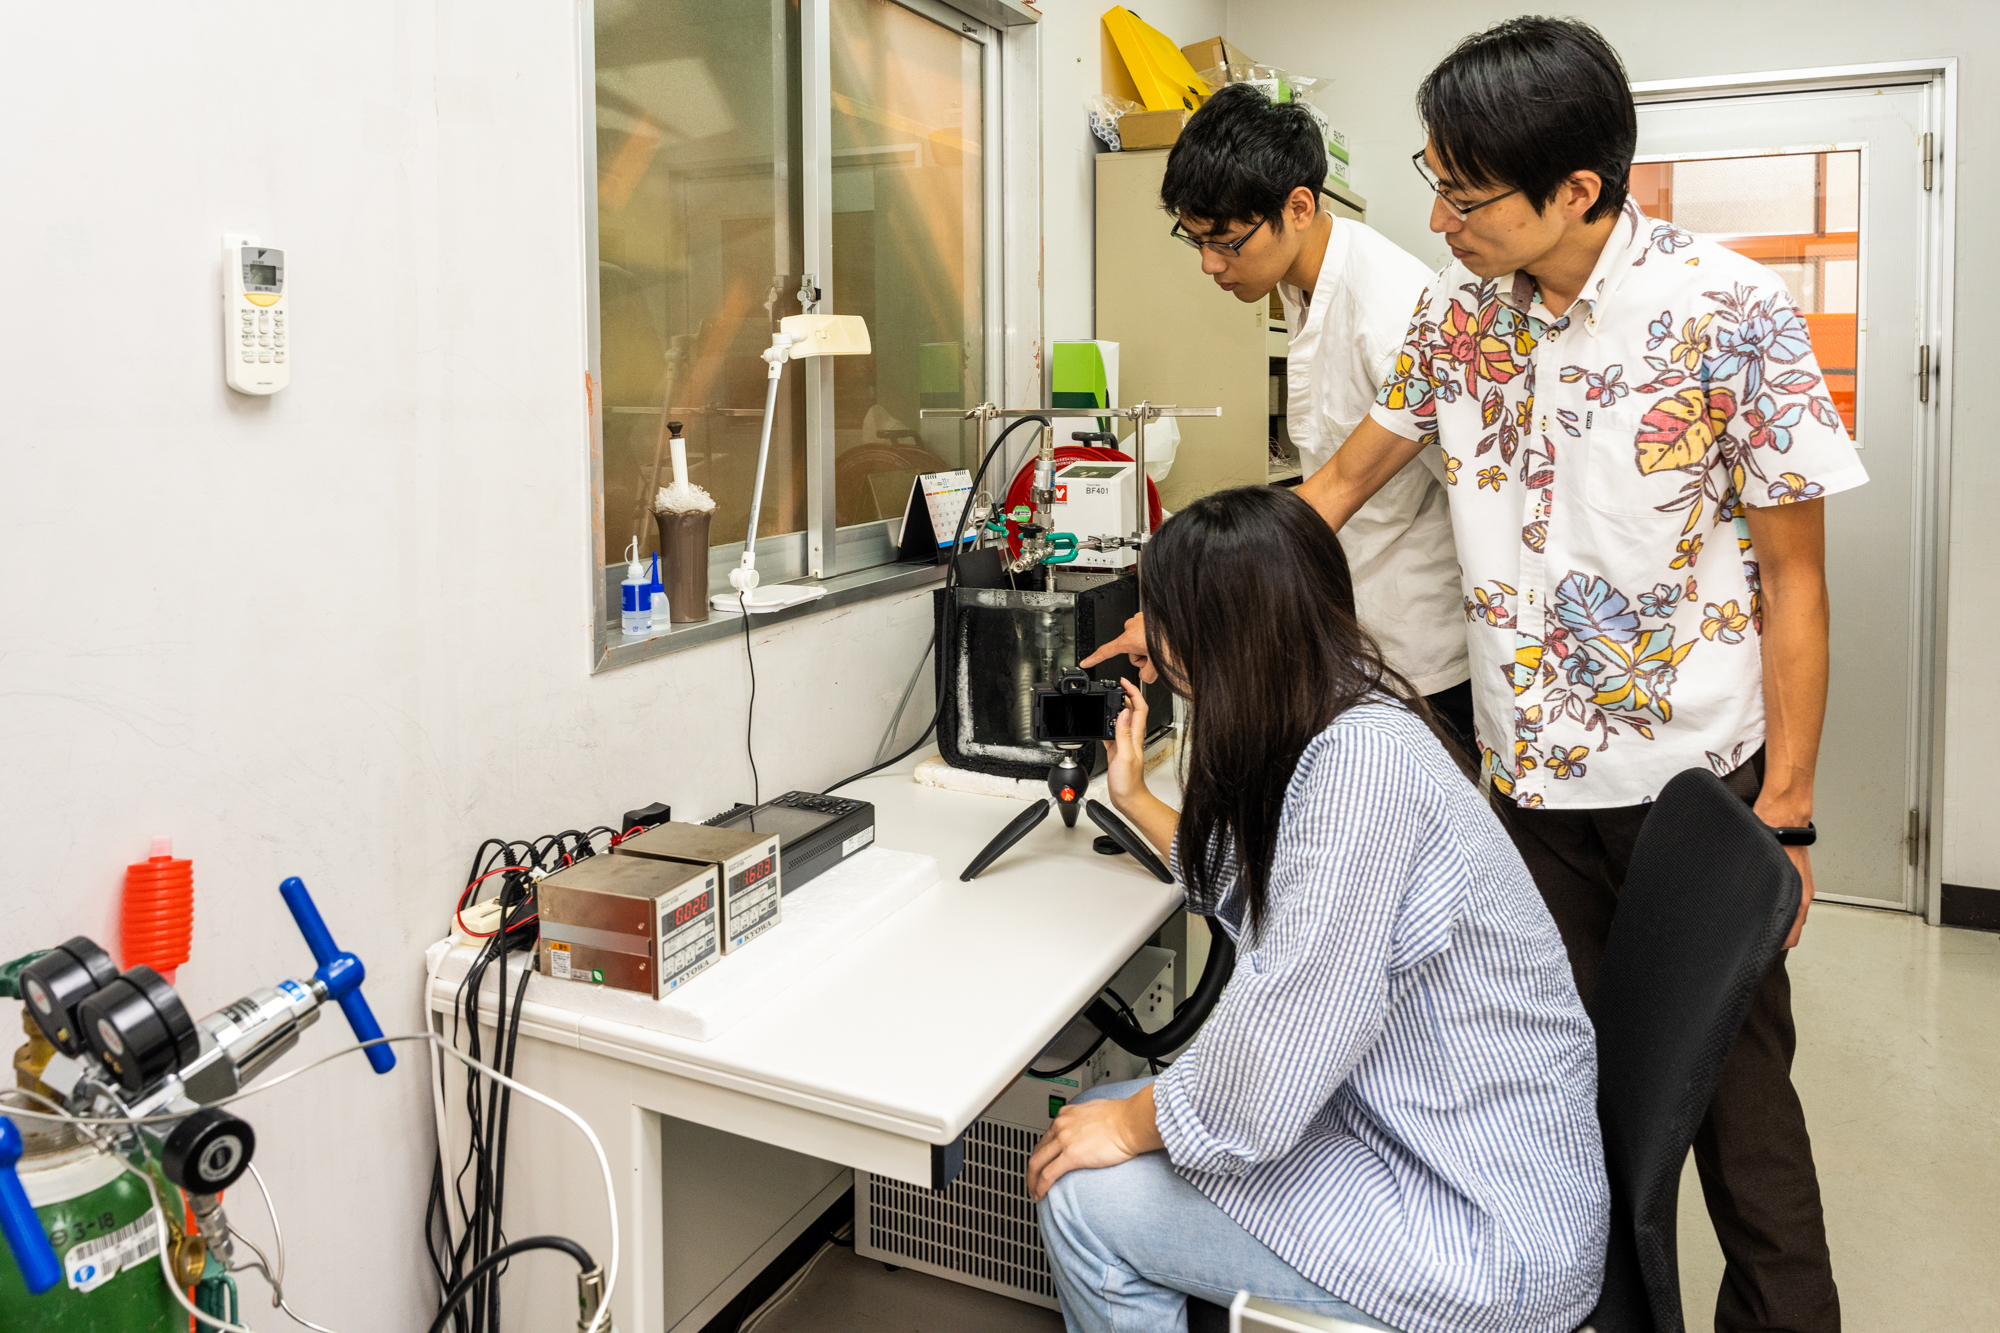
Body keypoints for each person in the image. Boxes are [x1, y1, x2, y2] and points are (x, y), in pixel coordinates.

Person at [1291, 18, 1862, 1332]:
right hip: (1526, 798)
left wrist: (1789, 808)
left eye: (1465, 192)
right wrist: (1182, 596)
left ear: (1579, 190)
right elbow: (1335, 487)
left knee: (1736, 1109)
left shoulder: (1731, 312)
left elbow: (1798, 582)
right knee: (1561, 1100)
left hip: (1694, 801)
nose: (1438, 217)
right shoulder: (1453, 323)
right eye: (1432, 179)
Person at [1028, 486, 1608, 1333]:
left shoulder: (1358, 773)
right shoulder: (1353, 716)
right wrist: (1134, 795)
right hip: (1447, 1142)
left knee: (1084, 1189)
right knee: (1123, 1109)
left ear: (1220, 642)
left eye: (1165, 620)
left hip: (1478, 1230)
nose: (1152, 638)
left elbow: (1272, 1057)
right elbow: (1271, 887)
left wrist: (1128, 1124)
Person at [1092, 82, 1471, 749]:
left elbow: (1359, 488)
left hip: (1423, 657)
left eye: (1227, 241)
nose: (1210, 263)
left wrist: (1192, 617)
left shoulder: (1388, 310)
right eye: (1196, 239)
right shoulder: (1302, 286)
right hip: (1354, 630)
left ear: (1298, 207)